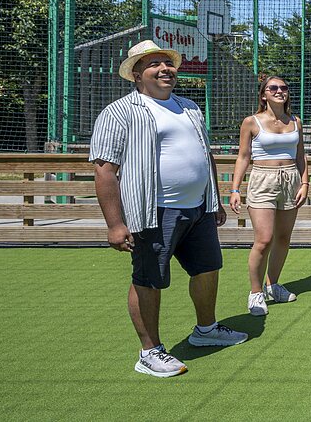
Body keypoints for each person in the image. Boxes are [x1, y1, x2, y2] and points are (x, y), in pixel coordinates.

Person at [90, 39, 248, 379]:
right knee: (148, 280)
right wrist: (115, 225)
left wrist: (215, 200)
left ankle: (205, 330)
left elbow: (205, 156)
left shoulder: (189, 107)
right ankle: (149, 352)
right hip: (152, 212)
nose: (165, 69)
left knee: (208, 269)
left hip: (198, 210)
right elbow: (104, 169)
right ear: (136, 74)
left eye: (168, 63)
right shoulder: (119, 112)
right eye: (154, 64)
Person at [230, 75, 309, 316]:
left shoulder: (296, 121)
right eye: (272, 88)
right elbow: (243, 157)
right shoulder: (251, 122)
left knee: (283, 238)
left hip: (291, 180)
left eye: (283, 87)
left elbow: (300, 155)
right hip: (262, 179)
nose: (279, 91)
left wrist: (304, 182)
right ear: (263, 94)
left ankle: (273, 285)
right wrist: (235, 189)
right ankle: (255, 293)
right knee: (264, 239)